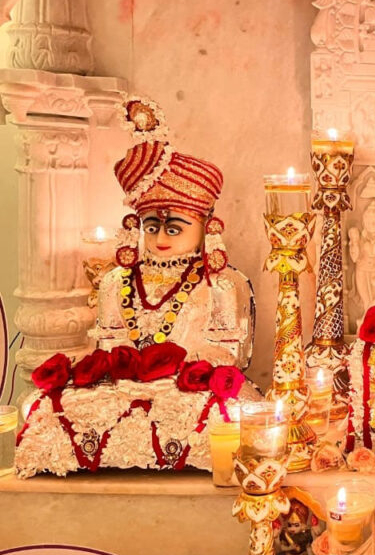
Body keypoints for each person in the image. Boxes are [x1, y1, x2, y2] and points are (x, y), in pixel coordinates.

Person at [91, 95, 254, 368]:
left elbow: (229, 358)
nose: (160, 238)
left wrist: (172, 372)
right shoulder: (115, 282)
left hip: (192, 385)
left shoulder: (219, 285)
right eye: (151, 228)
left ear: (206, 226)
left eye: (175, 229)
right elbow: (106, 352)